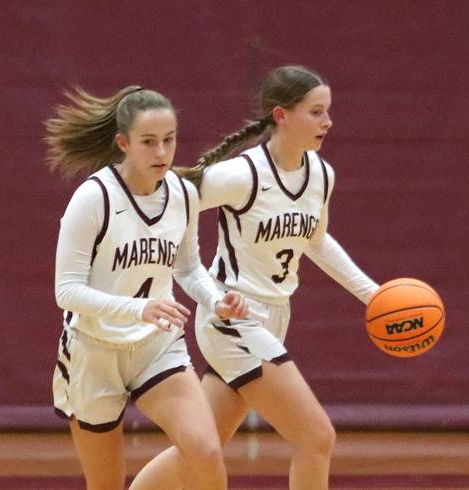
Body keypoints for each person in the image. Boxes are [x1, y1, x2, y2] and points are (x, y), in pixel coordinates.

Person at [129, 65, 381, 489]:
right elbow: (170, 201)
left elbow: (316, 242)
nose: (328, 121)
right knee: (317, 437)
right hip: (233, 317)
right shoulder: (242, 175)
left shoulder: (321, 175)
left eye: (328, 111)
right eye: (316, 112)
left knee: (201, 448)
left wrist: (372, 294)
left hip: (276, 316)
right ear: (281, 115)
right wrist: (183, 279)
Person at [45, 86, 249, 490]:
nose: (162, 152)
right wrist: (138, 308)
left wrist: (215, 300)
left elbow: (188, 267)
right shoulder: (93, 197)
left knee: (207, 453)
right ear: (123, 143)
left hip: (157, 346)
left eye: (169, 140)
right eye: (149, 142)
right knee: (105, 484)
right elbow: (65, 292)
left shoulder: (183, 194)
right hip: (94, 349)